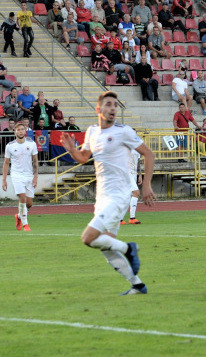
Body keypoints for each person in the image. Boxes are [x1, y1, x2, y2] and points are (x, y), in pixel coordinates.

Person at [60, 91, 156, 295]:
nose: (113, 108)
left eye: (115, 105)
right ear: (98, 109)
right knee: (104, 246)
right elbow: (84, 157)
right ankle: (138, 285)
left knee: (88, 237)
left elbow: (148, 153)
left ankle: (129, 249)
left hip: (119, 194)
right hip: (102, 197)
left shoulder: (124, 131)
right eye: (109, 104)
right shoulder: (92, 131)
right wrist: (70, 149)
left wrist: (146, 184)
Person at [2, 121, 38, 232]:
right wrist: (4, 180)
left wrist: (35, 176)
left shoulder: (31, 144)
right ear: (15, 132)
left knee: (29, 203)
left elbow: (35, 161)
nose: (20, 131)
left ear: (25, 131)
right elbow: (6, 163)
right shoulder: (10, 146)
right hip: (16, 175)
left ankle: (18, 216)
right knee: (22, 197)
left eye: (22, 129)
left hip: (29, 175)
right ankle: (25, 224)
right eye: (18, 130)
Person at [120, 149, 142, 225]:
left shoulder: (137, 146)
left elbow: (138, 162)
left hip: (133, 174)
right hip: (126, 173)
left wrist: (140, 175)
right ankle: (132, 218)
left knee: (128, 196)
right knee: (136, 192)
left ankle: (119, 219)